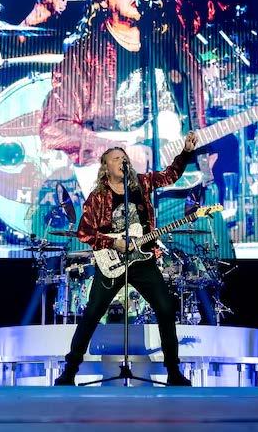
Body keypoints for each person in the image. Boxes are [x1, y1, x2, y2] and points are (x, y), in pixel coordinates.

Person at [40, 0, 206, 177]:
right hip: (119, 185)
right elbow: (54, 127)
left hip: (183, 178)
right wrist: (117, 152)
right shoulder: (84, 56)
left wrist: (205, 150)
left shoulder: (174, 43)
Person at [53, 131, 198, 386]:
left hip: (142, 261)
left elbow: (170, 175)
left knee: (166, 309)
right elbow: (84, 232)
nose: (122, 161)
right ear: (106, 167)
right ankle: (69, 371)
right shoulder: (98, 197)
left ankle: (174, 372)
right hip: (112, 262)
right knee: (92, 313)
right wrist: (113, 242)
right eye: (116, 158)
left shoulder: (141, 184)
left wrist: (186, 152)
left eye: (124, 157)